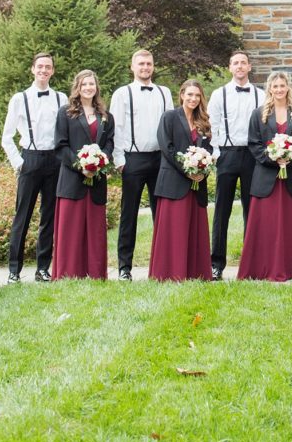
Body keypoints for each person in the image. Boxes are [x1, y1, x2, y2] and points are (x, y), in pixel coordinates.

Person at [238, 72, 292, 282]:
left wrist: (291, 155)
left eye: (283, 85)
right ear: (270, 89)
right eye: (275, 86)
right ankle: (261, 268)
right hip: (266, 178)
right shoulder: (258, 114)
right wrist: (273, 159)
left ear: (288, 87)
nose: (279, 89)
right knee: (266, 225)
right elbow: (253, 144)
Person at [1, 52, 68, 283]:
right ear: (32, 69)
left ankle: (42, 269)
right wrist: (19, 163)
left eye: (48, 67)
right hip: (29, 160)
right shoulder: (19, 99)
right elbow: (6, 137)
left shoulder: (61, 98)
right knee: (23, 215)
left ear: (53, 71)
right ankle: (13, 270)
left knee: (49, 216)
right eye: (40, 67)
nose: (43, 70)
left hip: (55, 161)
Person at [111, 49, 173, 280]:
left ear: (153, 66)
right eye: (141, 64)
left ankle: (163, 266)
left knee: (163, 214)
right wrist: (119, 160)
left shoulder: (164, 92)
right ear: (132, 67)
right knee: (129, 214)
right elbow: (116, 128)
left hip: (160, 160)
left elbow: (170, 126)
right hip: (133, 159)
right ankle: (124, 267)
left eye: (148, 64)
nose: (145, 67)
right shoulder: (122, 93)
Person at [52, 70, 114, 280]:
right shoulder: (66, 113)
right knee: (71, 230)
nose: (89, 87)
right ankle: (68, 273)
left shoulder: (106, 116)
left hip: (96, 180)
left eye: (92, 84)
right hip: (72, 179)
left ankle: (96, 274)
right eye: (84, 84)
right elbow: (61, 146)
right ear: (77, 87)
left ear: (96, 88)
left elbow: (109, 144)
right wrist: (81, 166)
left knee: (95, 231)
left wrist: (100, 161)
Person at [208, 50, 265, 280]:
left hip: (253, 156)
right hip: (228, 155)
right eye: (235, 63)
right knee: (222, 210)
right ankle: (216, 264)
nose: (240, 66)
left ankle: (251, 264)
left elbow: (265, 124)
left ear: (249, 67)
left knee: (252, 211)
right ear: (230, 68)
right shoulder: (219, 94)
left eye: (243, 63)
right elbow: (213, 126)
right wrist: (216, 153)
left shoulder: (261, 95)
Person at [148, 80, 213, 281]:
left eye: (197, 95)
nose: (193, 99)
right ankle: (169, 273)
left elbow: (208, 151)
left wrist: (203, 170)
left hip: (196, 184)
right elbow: (166, 148)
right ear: (182, 94)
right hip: (173, 182)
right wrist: (188, 170)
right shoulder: (169, 117)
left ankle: (195, 272)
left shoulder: (204, 121)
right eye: (190, 94)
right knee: (173, 231)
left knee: (195, 230)